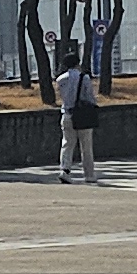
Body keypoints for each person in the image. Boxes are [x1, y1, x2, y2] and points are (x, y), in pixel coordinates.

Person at [54, 44, 101, 185]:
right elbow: (89, 97)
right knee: (86, 146)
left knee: (67, 144)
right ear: (77, 63)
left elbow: (61, 96)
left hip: (67, 113)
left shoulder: (60, 79)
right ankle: (89, 175)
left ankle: (65, 170)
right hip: (82, 114)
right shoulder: (84, 78)